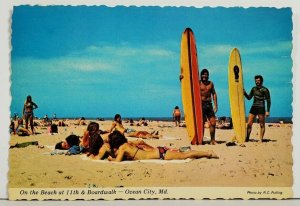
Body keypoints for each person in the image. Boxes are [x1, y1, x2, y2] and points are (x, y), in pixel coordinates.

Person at [96, 131, 218, 162]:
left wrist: (111, 158)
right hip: (158, 151)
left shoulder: (122, 148)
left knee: (184, 156)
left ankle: (208, 153)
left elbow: (117, 161)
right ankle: (206, 153)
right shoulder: (127, 144)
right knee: (183, 154)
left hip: (160, 154)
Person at [244, 75, 271, 142]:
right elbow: (249, 98)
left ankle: (261, 139)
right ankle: (247, 138)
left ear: (261, 81)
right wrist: (244, 93)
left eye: (258, 80)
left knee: (262, 124)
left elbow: (268, 100)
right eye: (256, 81)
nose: (257, 82)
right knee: (249, 124)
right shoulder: (253, 89)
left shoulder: (265, 89)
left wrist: (268, 111)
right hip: (254, 107)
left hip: (261, 107)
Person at [199, 69, 218, 145]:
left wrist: (216, 105)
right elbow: (188, 85)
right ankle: (200, 140)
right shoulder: (198, 82)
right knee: (201, 123)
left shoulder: (211, 84)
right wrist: (182, 78)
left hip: (209, 104)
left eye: (205, 74)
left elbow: (214, 94)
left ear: (208, 75)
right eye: (203, 74)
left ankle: (212, 140)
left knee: (213, 122)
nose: (204, 76)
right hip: (201, 105)